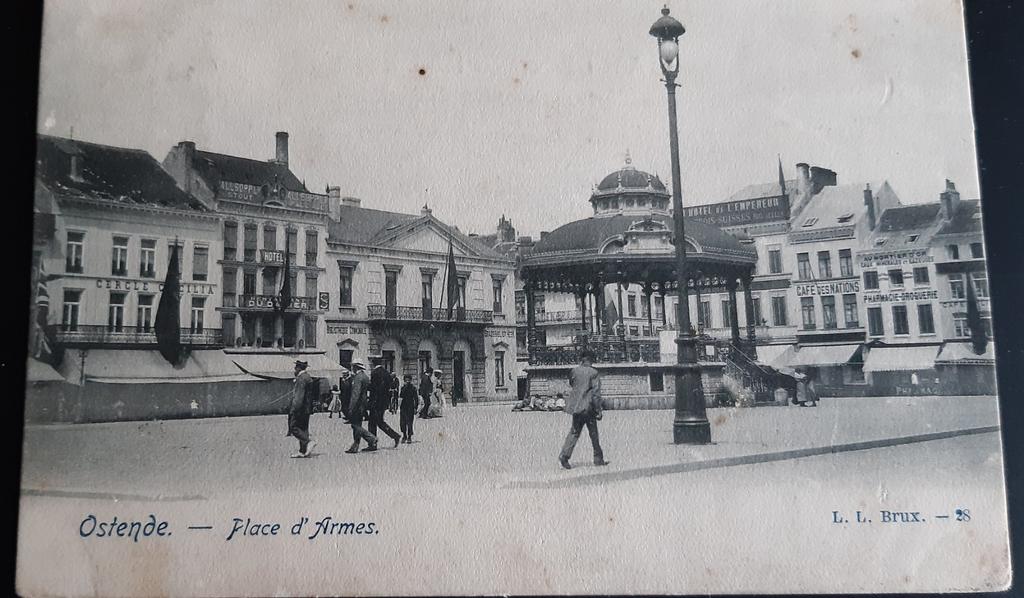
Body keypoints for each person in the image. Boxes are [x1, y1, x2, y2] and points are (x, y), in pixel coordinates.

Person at [559, 351, 609, 470]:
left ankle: (564, 455)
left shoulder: (574, 371)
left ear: (581, 360)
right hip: (589, 408)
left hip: (577, 407)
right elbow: (596, 394)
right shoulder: (594, 372)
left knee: (574, 432)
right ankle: (598, 459)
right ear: (591, 360)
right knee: (593, 434)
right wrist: (599, 410)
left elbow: (572, 384)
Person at [368, 357, 402, 448]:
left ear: (373, 363)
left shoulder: (375, 373)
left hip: (375, 401)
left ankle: (373, 444)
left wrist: (368, 388)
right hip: (383, 402)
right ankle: (395, 436)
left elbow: (374, 388)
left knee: (372, 423)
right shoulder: (386, 373)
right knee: (379, 422)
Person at [345, 362, 377, 453]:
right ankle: (355, 446)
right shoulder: (365, 376)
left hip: (357, 405)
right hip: (363, 404)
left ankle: (371, 438)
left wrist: (351, 407)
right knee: (357, 424)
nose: (352, 368)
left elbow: (356, 394)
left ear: (355, 367)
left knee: (355, 425)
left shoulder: (358, 378)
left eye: (352, 366)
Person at [287, 360, 317, 458]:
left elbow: (299, 396)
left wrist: (294, 409)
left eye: (295, 368)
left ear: (299, 368)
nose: (294, 370)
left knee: (293, 427)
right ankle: (302, 451)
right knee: (303, 429)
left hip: (300, 408)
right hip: (306, 408)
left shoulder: (301, 378)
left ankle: (309, 442)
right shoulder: (308, 377)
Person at [399, 374, 419, 443]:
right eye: (406, 380)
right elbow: (401, 395)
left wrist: (415, 408)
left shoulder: (413, 388)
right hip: (403, 406)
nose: (407, 381)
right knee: (402, 422)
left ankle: (409, 436)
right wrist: (404, 387)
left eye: (408, 380)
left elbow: (416, 398)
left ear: (410, 380)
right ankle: (404, 435)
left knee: (410, 422)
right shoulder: (403, 387)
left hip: (410, 406)